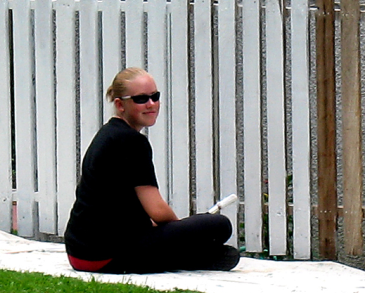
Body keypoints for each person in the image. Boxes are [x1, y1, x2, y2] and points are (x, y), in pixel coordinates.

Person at [65, 67, 240, 274]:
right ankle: (190, 255)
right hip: (107, 254)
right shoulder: (132, 141)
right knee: (219, 225)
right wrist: (180, 234)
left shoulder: (108, 134)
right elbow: (157, 210)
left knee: (213, 241)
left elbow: (120, 204)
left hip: (79, 252)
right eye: (140, 99)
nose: (151, 104)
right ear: (120, 105)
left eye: (154, 97)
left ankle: (188, 256)